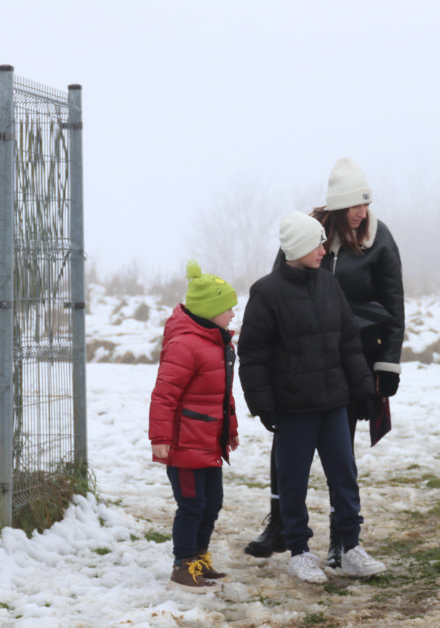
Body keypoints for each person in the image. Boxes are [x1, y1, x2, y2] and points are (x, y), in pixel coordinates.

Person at [244, 158, 404, 569]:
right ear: (336, 207)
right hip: (297, 375)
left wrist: (385, 367)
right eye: (354, 205)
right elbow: (274, 309)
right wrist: (267, 394)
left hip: (352, 362)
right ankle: (283, 526)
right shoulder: (306, 236)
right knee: (288, 456)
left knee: (340, 457)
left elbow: (394, 305)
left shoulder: (378, 239)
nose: (362, 212)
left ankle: (342, 540)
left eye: (366, 204)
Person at [148, 260, 240, 593]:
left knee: (211, 502)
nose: (232, 313)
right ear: (210, 310)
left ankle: (199, 560)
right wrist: (160, 437)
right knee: (192, 505)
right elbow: (164, 394)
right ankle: (182, 566)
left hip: (208, 441)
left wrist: (229, 431)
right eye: (227, 307)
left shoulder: (217, 342)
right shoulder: (186, 345)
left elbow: (221, 394)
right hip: (184, 443)